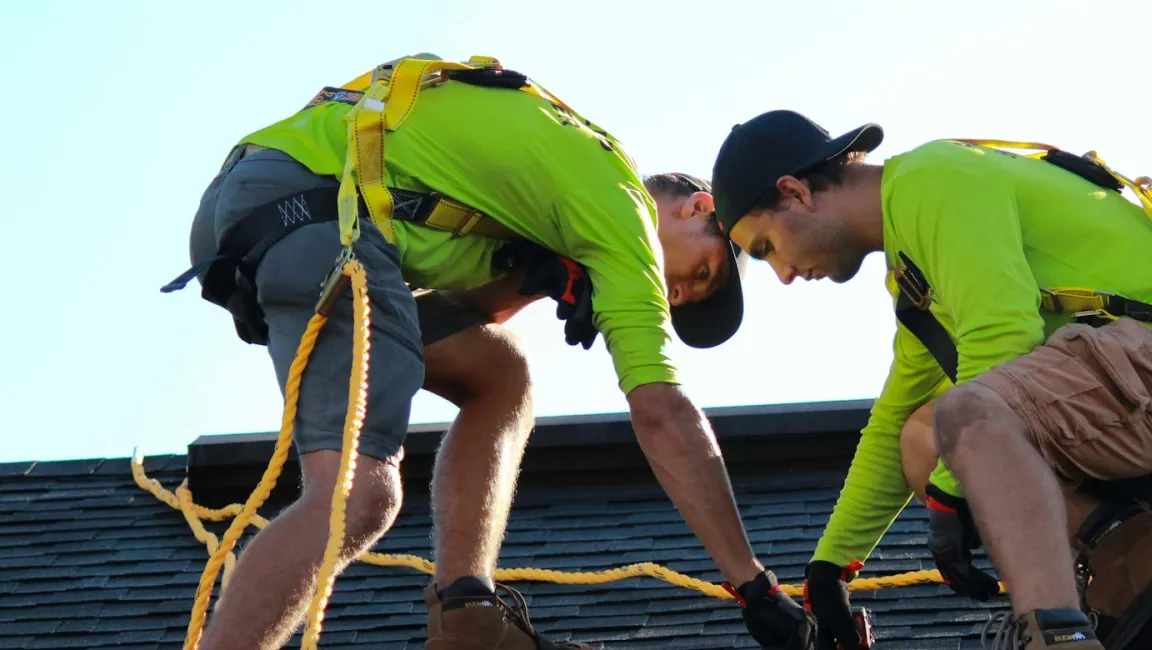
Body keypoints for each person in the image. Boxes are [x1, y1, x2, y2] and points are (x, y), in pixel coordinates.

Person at [167, 55, 814, 650]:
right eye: (699, 275)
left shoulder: (550, 202)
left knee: (502, 374)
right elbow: (662, 414)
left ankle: (466, 613)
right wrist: (752, 586)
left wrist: (531, 283)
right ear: (697, 207)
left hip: (283, 203)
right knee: (359, 495)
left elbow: (442, 328)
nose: (672, 292)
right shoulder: (617, 207)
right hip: (310, 209)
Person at [704, 109, 1152, 650]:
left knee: (964, 421)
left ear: (794, 191)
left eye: (766, 247)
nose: (782, 274)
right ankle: (1136, 562)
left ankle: (1055, 633)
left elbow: (1002, 335)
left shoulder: (932, 180)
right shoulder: (916, 276)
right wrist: (830, 569)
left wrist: (950, 492)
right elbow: (893, 423)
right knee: (923, 436)